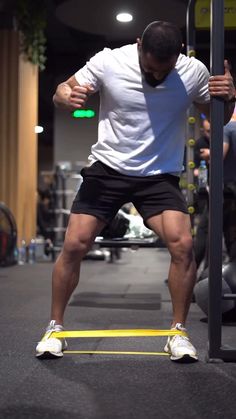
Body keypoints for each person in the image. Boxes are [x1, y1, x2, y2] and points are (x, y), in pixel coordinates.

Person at [36, 21, 235, 362]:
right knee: (74, 244)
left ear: (179, 55)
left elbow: (216, 116)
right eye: (150, 69)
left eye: (165, 70)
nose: (156, 77)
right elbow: (62, 90)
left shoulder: (193, 71)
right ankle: (55, 328)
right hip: (108, 169)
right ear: (138, 45)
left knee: (184, 245)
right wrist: (66, 96)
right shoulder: (109, 61)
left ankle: (177, 333)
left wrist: (229, 98)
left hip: (158, 177)